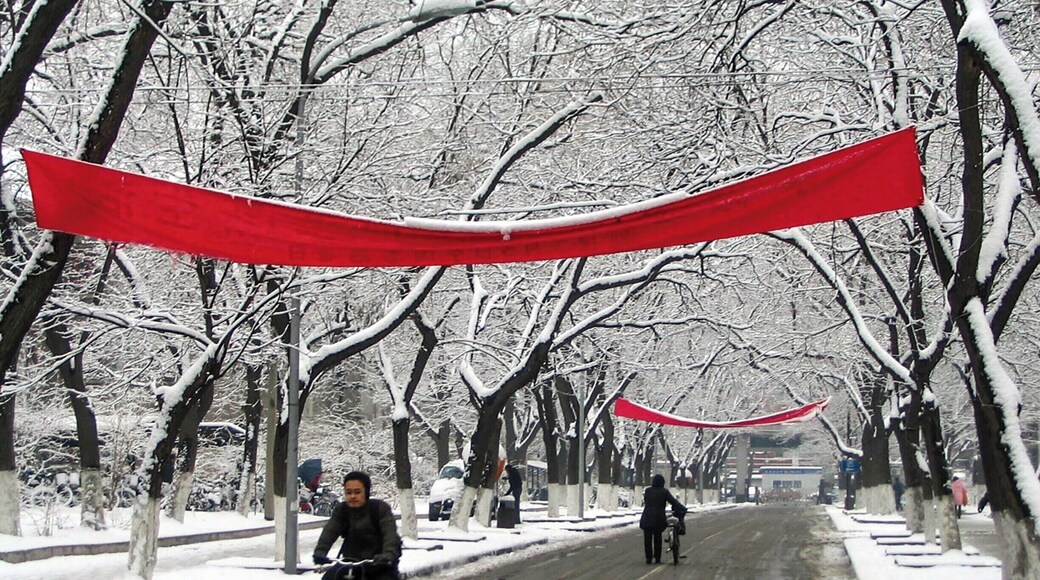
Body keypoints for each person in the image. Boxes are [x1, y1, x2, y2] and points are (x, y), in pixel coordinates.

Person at [313, 471, 402, 580]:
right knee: (329, 578)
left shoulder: (380, 509)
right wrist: (320, 552)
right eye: (348, 492)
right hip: (350, 562)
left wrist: (388, 554)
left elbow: (390, 535)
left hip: (379, 563)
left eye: (357, 492)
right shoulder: (342, 510)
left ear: (366, 492)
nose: (353, 496)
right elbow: (330, 531)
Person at [639, 473, 688, 565]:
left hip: (647, 517)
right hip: (658, 518)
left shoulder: (648, 491)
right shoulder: (664, 492)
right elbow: (673, 502)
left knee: (647, 539)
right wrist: (682, 508)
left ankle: (648, 558)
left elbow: (646, 501)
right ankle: (657, 558)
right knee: (658, 538)